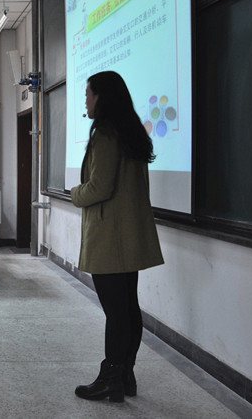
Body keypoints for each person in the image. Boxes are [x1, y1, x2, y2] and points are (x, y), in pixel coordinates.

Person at [70, 71, 164, 402]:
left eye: (88, 93)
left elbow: (99, 187)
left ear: (102, 97)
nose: (85, 100)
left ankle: (111, 378)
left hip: (110, 238)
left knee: (117, 312)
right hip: (129, 235)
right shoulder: (130, 133)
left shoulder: (106, 135)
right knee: (128, 308)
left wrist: (75, 193)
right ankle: (125, 374)